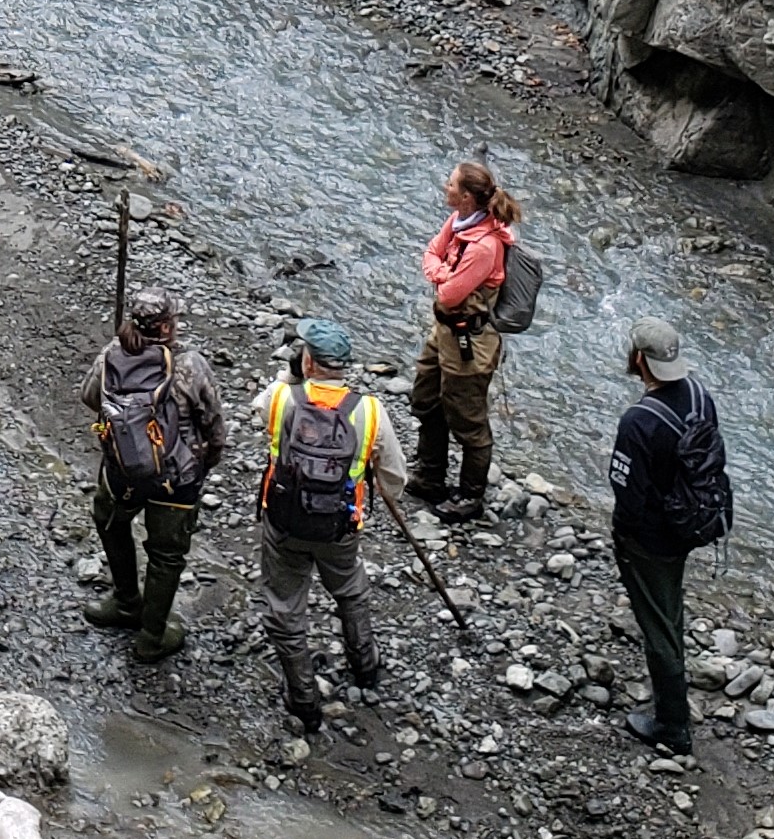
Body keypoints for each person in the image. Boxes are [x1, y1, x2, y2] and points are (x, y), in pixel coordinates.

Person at [253, 318, 407, 730]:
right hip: (339, 527)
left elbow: (258, 412)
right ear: (344, 366)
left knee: (285, 607)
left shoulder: (282, 398)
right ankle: (365, 665)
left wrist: (290, 375)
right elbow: (395, 477)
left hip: (283, 522)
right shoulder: (370, 410)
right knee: (349, 589)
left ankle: (303, 700)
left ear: (308, 360)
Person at [80, 289, 227, 661]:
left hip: (123, 471)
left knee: (110, 520)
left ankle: (126, 600)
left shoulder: (112, 353)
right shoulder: (190, 364)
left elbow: (89, 396)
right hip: (176, 478)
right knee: (166, 556)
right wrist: (205, 463)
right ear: (165, 326)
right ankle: (152, 636)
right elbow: (214, 424)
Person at [610, 317, 733, 754]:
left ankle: (673, 725)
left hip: (652, 540)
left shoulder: (638, 422)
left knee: (659, 625)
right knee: (669, 608)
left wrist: (622, 538)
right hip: (692, 525)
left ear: (639, 359)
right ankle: (670, 694)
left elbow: (629, 496)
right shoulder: (701, 396)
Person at [415, 156, 521, 516]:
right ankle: (430, 476)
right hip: (443, 332)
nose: (446, 187)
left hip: (469, 346)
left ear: (465, 198)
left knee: (468, 420)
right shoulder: (459, 221)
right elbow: (430, 253)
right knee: (425, 398)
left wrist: (440, 273)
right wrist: (443, 270)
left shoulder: (484, 246)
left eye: (451, 184)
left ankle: (471, 496)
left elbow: (448, 294)